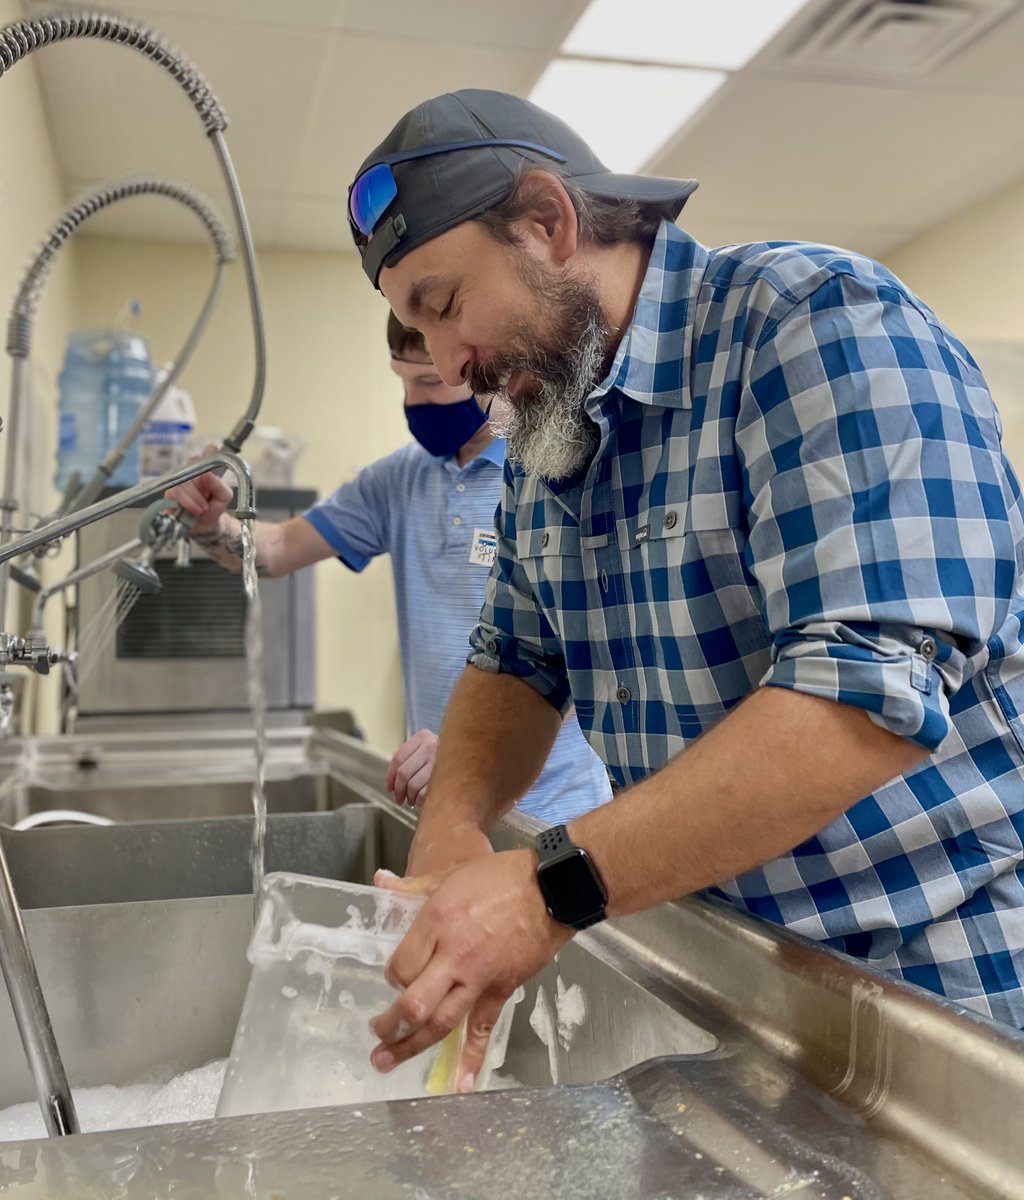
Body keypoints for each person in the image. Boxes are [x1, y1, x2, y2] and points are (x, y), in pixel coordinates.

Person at [343, 88, 1024, 1087]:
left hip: (956, 996)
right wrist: (450, 829)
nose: (451, 363)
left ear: (547, 220)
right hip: (760, 988)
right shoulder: (552, 438)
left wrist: (544, 891)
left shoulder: (814, 327)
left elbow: (863, 698)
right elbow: (515, 665)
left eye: (443, 305)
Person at [165, 311, 611, 822]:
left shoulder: (552, 471)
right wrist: (209, 524)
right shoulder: (397, 482)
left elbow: (591, 657)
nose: (412, 402)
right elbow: (277, 549)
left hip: (557, 814)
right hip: (446, 805)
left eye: (427, 381)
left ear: (481, 367)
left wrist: (476, 748)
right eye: (402, 382)